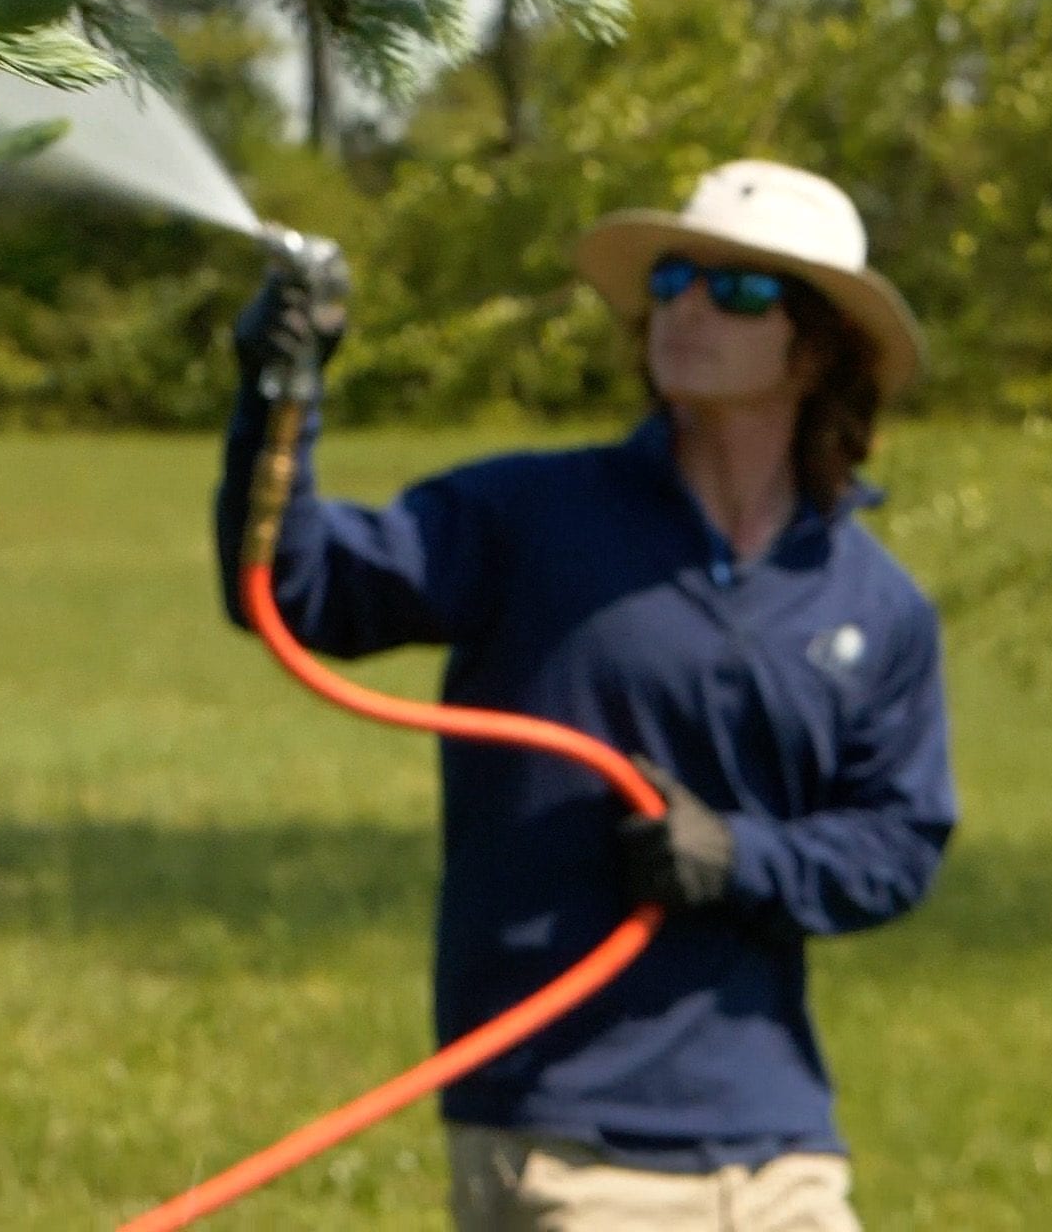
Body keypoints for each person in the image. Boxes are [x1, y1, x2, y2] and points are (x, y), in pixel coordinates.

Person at [214, 160, 956, 1231]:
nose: (689, 307)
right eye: (672, 281)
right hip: (566, 1140)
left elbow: (898, 844)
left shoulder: (876, 606)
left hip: (783, 1145)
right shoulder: (528, 518)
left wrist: (739, 858)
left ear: (820, 348)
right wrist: (280, 399)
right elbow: (298, 587)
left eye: (739, 290)